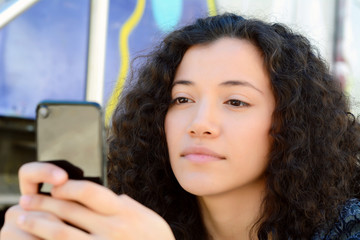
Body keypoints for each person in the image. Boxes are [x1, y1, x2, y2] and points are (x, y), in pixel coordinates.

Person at [1, 13, 360, 240]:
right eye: (182, 100)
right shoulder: (128, 227)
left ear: (294, 123)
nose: (199, 124)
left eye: (235, 101)